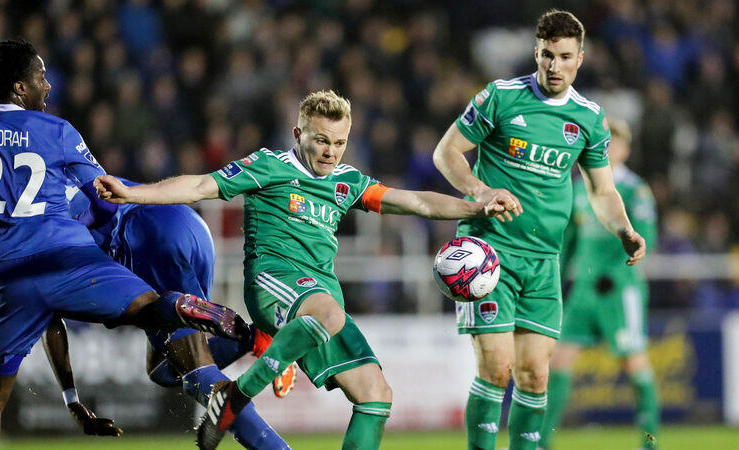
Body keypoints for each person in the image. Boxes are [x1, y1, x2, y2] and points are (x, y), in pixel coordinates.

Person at [94, 89, 516, 450]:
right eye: (321, 140)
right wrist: (134, 193)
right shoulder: (269, 166)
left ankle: (242, 389)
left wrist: (476, 204)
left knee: (375, 395)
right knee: (328, 313)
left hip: (318, 300)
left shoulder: (346, 181)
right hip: (273, 280)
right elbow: (201, 185)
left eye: (339, 142)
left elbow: (418, 202)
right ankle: (236, 397)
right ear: (298, 134)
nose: (331, 151)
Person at [0, 39, 246, 450]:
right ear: (19, 87)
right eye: (40, 77)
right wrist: (100, 230)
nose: (48, 86)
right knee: (151, 307)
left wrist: (72, 399)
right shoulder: (59, 132)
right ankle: (188, 306)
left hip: (7, 275)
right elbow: (104, 197)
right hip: (69, 256)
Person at [431, 10, 646, 450]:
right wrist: (479, 188)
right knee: (496, 366)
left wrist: (623, 228)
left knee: (536, 374)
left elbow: (602, 191)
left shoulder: (588, 118)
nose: (554, 66)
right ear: (535, 52)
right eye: (547, 55)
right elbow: (447, 151)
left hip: (544, 261)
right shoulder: (500, 98)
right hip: (488, 254)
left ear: (580, 59)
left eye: (564, 56)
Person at [42, 184, 295, 449]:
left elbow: (47, 316)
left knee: (198, 374)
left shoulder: (31, 237)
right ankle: (254, 336)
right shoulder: (62, 166)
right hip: (187, 222)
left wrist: (71, 400)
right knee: (163, 371)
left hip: (144, 237)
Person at [539, 119, 658, 450]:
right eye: (604, 143)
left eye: (615, 143)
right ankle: (541, 443)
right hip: (583, 291)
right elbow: (568, 243)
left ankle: (650, 444)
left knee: (634, 363)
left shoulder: (635, 190)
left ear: (626, 150)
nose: (608, 149)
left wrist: (617, 274)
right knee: (558, 362)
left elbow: (648, 240)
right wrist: (552, 281)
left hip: (621, 291)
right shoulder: (578, 189)